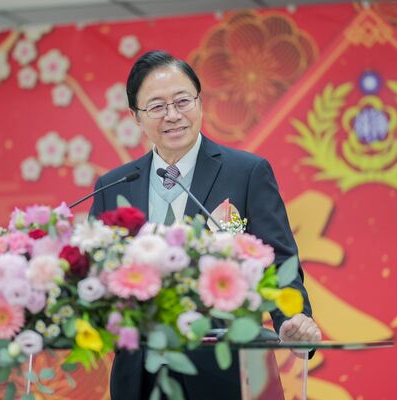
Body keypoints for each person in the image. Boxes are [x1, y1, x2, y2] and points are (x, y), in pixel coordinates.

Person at [90, 50, 321, 400]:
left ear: (200, 103)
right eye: (157, 106)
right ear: (136, 117)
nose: (173, 115)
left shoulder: (246, 172)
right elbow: (95, 276)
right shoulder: (114, 186)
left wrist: (293, 320)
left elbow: (277, 262)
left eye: (182, 101)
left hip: (227, 376)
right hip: (139, 379)